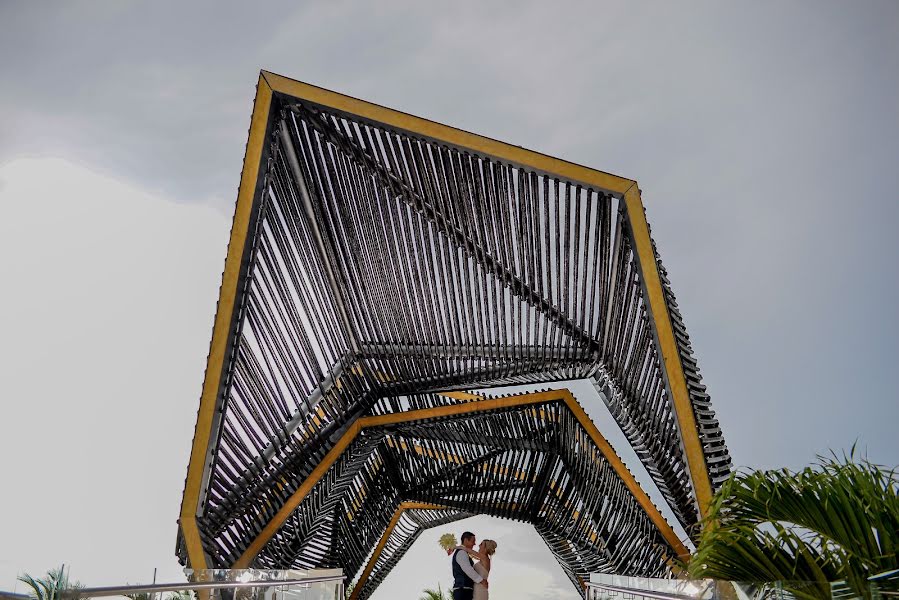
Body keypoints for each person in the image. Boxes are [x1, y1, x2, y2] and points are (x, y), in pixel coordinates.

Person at [451, 531, 486, 600]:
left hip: (464, 589)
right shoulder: (461, 553)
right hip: (463, 590)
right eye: (473, 541)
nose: (474, 544)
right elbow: (467, 569)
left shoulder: (463, 552)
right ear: (466, 540)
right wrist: (481, 580)